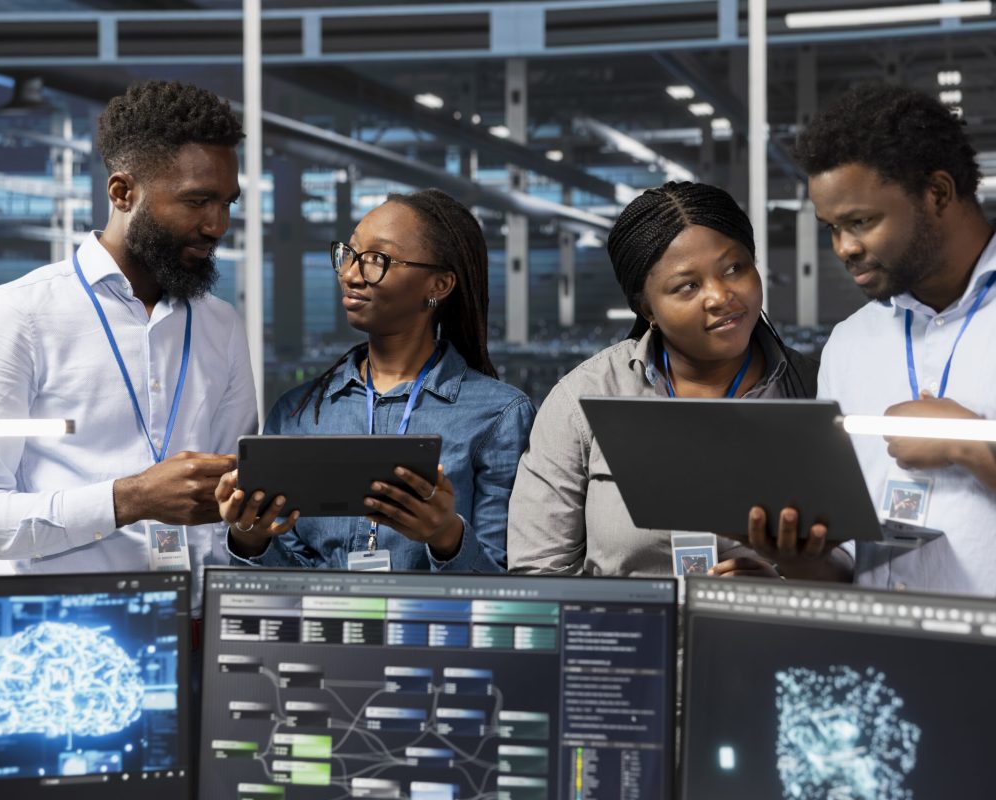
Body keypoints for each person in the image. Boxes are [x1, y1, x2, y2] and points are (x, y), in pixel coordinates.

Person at [0, 80, 257, 613]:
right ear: (122, 193)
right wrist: (131, 498)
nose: (217, 225)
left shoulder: (220, 325)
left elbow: (231, 500)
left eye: (226, 202)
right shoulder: (20, 316)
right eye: (196, 201)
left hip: (196, 622)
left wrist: (249, 520)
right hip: (60, 627)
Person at [508, 181, 845, 580]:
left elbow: (859, 565)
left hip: (771, 636)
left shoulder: (819, 391)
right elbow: (538, 570)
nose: (721, 296)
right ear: (646, 307)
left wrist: (787, 586)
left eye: (735, 268)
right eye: (688, 286)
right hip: (626, 635)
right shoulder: (582, 400)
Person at [219, 188, 535, 572]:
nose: (350, 274)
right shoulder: (298, 413)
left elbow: (505, 584)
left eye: (375, 260)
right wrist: (251, 538)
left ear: (439, 285)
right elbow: (286, 581)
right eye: (349, 254)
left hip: (430, 628)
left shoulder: (498, 415)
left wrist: (446, 536)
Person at [793, 82, 996, 596]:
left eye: (861, 221)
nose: (844, 247)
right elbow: (843, 558)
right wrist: (794, 556)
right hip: (884, 655)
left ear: (938, 194)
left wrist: (971, 445)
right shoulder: (848, 344)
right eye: (831, 227)